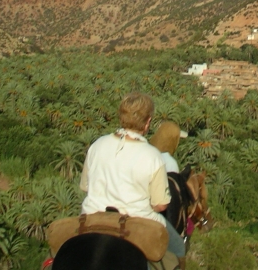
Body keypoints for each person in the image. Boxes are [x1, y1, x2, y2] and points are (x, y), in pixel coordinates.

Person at [79, 92, 185, 264]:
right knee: (179, 247)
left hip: (91, 215)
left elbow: (86, 187)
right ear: (148, 122)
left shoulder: (97, 145)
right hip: (136, 221)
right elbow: (161, 204)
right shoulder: (152, 156)